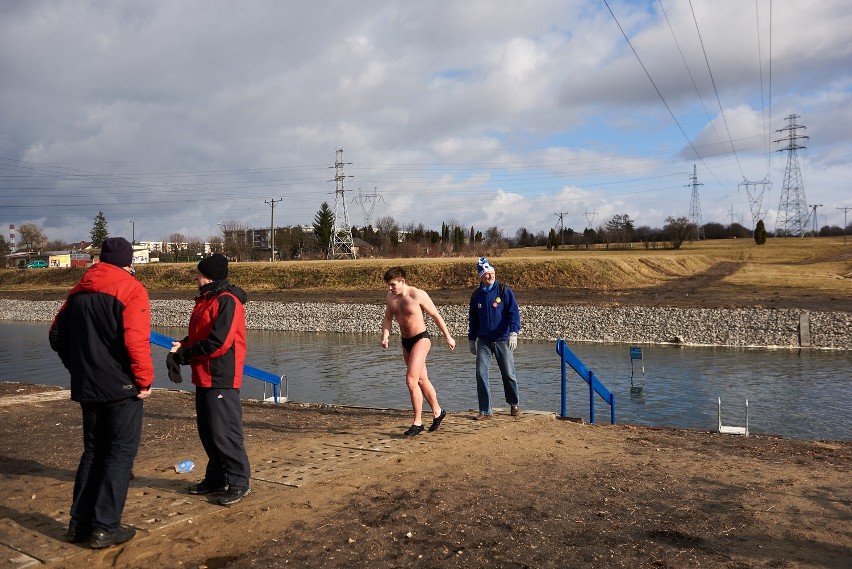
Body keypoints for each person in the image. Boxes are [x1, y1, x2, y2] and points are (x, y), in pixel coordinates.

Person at [48, 237, 153, 549]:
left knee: (93, 451)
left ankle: (78, 524)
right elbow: (136, 341)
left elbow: (56, 335)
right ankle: (105, 527)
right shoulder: (131, 288)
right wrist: (144, 381)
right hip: (122, 388)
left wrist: (77, 368)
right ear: (128, 261)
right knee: (119, 454)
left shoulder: (79, 289)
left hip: (88, 386)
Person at [169, 254, 251, 506]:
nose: (195, 277)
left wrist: (187, 353)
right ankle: (216, 478)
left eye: (198, 273)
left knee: (224, 432)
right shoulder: (207, 300)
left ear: (209, 276)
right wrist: (182, 346)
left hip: (220, 376)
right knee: (208, 432)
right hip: (204, 376)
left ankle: (238, 482)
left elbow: (219, 343)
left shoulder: (227, 301)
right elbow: (200, 335)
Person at [381, 266, 456, 436]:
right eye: (388, 285)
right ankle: (438, 411)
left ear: (402, 281)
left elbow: (435, 315)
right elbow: (387, 319)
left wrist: (448, 337)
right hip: (405, 342)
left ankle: (418, 422)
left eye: (393, 284)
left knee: (410, 380)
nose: (390, 288)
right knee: (422, 380)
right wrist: (385, 336)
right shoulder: (390, 298)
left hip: (421, 339)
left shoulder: (417, 295)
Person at [468, 257, 521, 420]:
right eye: (487, 274)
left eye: (492, 273)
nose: (490, 276)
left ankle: (514, 404)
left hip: (502, 339)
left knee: (508, 373)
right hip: (484, 340)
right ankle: (485, 410)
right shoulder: (476, 296)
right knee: (480, 373)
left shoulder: (504, 290)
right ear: (481, 277)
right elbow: (473, 319)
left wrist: (514, 332)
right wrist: (472, 339)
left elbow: (513, 312)